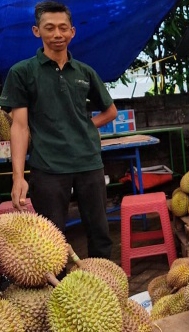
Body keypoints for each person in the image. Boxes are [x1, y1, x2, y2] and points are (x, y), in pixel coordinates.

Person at [0, 1, 117, 259]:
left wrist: (88, 125)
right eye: (49, 28)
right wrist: (18, 176)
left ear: (72, 32)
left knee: (100, 234)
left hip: (89, 162)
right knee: (51, 240)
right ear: (36, 31)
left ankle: (106, 290)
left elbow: (111, 111)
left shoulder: (84, 72)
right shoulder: (22, 72)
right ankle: (57, 294)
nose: (57, 34)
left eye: (63, 28)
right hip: (48, 168)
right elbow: (19, 127)